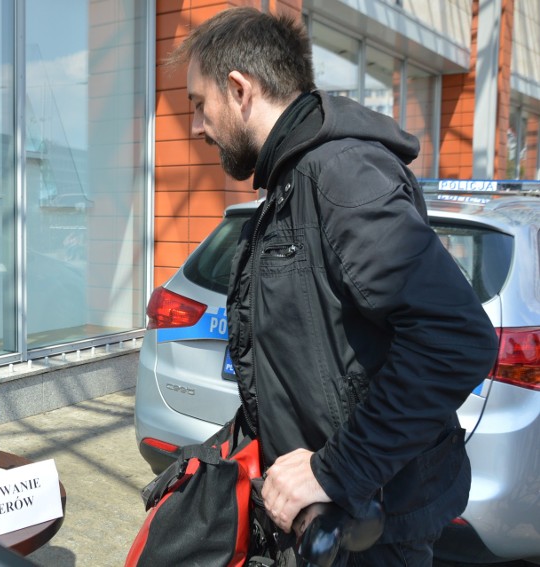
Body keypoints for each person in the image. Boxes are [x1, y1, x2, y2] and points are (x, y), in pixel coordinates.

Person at [169, 8, 499, 566]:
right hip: (319, 523)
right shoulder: (289, 184)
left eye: (200, 104)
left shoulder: (343, 175)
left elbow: (456, 339)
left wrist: (335, 469)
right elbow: (313, 359)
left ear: (239, 89)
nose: (197, 126)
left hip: (369, 529)